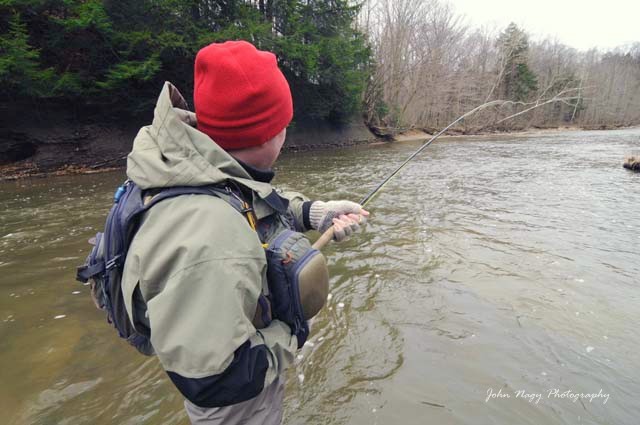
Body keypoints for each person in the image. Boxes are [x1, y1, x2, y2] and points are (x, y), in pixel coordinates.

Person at [120, 40, 369, 424]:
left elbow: (249, 198)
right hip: (234, 405)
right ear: (268, 135)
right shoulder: (213, 237)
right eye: (284, 124)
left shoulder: (198, 160)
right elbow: (216, 379)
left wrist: (313, 213)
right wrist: (292, 329)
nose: (286, 132)